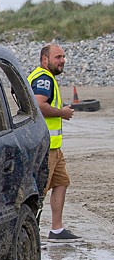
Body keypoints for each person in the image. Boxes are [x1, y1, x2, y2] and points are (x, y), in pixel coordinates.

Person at [28, 44, 80, 242]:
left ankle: (56, 230)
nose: (62, 60)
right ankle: (29, 231)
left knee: (61, 183)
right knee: (38, 192)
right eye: (58, 57)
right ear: (44, 59)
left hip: (54, 148)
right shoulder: (43, 79)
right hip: (45, 149)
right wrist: (62, 113)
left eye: (63, 57)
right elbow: (39, 106)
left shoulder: (45, 78)